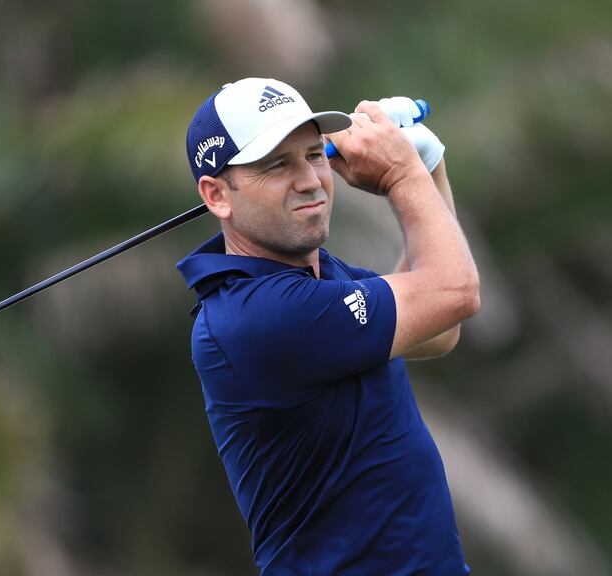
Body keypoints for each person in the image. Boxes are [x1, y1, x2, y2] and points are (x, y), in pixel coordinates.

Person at [176, 77, 480, 575]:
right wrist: (403, 176)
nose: (310, 179)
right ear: (217, 195)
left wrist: (427, 167)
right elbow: (456, 292)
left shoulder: (320, 281)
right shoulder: (259, 317)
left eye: (315, 154)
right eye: (277, 165)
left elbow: (438, 328)